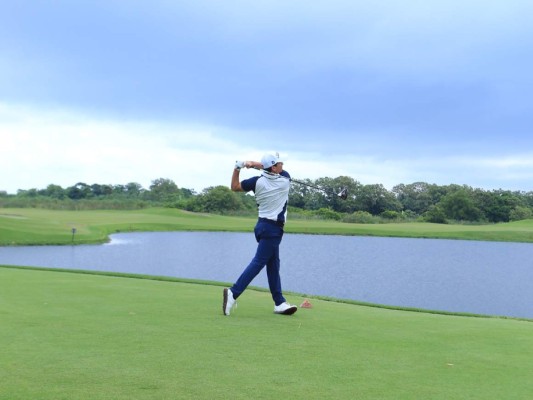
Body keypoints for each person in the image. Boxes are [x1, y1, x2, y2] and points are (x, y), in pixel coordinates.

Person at [222, 153, 298, 316]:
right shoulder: (285, 179)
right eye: (280, 163)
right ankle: (233, 293)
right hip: (273, 230)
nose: (282, 165)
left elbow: (234, 186)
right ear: (274, 167)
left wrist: (238, 167)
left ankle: (279, 302)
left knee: (273, 265)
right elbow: (265, 167)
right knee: (258, 263)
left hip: (262, 226)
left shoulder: (256, 182)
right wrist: (253, 163)